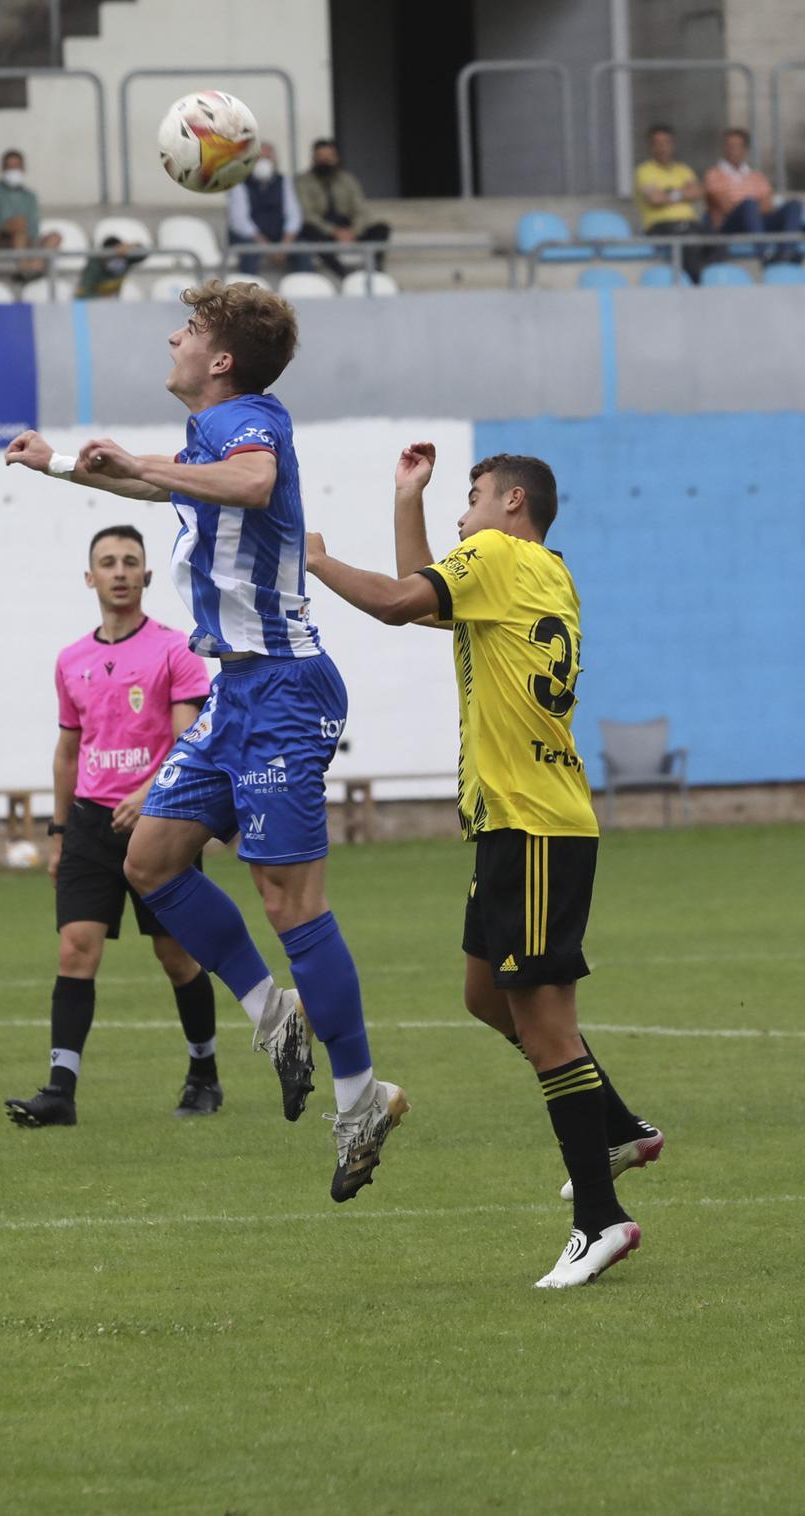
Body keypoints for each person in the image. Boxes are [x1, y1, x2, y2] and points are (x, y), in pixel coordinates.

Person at [3, 280, 408, 1200]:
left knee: (289, 902)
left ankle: (360, 1102)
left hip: (287, 691)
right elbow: (146, 478)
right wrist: (60, 460)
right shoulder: (207, 437)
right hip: (236, 690)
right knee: (148, 858)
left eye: (188, 329)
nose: (175, 338)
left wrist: (144, 463)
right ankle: (274, 1019)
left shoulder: (251, 423)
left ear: (220, 359)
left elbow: (253, 482)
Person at [304, 443, 663, 1288]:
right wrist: (407, 498)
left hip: (534, 828)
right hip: (518, 825)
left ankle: (599, 1221)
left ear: (511, 503)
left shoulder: (498, 556)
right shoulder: (543, 572)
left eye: (468, 498)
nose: (459, 514)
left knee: (545, 1026)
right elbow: (424, 596)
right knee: (483, 995)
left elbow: (397, 601)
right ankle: (618, 1130)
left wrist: (315, 559)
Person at [4, 525, 222, 1127]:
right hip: (89, 827)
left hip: (161, 822)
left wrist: (149, 792)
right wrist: (57, 833)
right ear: (90, 577)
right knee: (76, 948)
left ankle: (203, 1073)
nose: (120, 571)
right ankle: (60, 1093)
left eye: (131, 561)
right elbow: (68, 752)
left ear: (147, 575)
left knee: (176, 955)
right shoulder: (71, 660)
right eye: (108, 562)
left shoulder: (176, 649)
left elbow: (188, 740)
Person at [703, 127, 802, 264]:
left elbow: (768, 206)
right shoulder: (713, 174)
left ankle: (786, 253)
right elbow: (727, 208)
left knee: (794, 205)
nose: (732, 149)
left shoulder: (757, 176)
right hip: (730, 226)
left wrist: (752, 212)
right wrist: (751, 207)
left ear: (745, 150)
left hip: (757, 223)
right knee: (749, 204)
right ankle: (764, 254)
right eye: (729, 145)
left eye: (736, 146)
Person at [295, 137, 390, 281]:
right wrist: (334, 231)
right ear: (313, 159)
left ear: (336, 158)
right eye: (321, 157)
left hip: (348, 227)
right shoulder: (303, 181)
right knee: (308, 230)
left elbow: (360, 210)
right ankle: (343, 272)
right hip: (324, 229)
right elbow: (307, 214)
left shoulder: (347, 179)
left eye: (329, 157)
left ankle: (375, 271)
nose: (325, 161)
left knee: (382, 229)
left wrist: (352, 231)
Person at [226, 142, 310, 276]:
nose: (263, 163)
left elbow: (294, 215)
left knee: (303, 249)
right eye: (258, 158)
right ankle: (248, 293)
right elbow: (240, 221)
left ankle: (304, 288)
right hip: (251, 238)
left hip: (280, 237)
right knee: (248, 250)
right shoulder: (239, 183)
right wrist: (267, 247)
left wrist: (285, 244)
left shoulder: (284, 181)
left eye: (267, 158)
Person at [634, 124, 703, 282]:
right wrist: (682, 193)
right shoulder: (644, 171)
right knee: (687, 243)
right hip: (660, 226)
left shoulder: (683, 169)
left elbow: (697, 192)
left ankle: (713, 279)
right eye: (657, 144)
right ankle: (696, 287)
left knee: (717, 240)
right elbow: (655, 199)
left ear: (673, 145)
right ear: (651, 147)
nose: (662, 148)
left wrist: (668, 193)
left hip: (690, 224)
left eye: (666, 143)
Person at [0, 149, 61, 278]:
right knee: (11, 228)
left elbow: (33, 228)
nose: (13, 170)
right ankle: (12, 269)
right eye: (9, 167)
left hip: (24, 240)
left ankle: (29, 272)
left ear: (23, 169)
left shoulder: (30, 196)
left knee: (54, 237)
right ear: (2, 170)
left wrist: (22, 231)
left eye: (16, 166)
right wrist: (8, 226)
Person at [75, 235, 148, 300]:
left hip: (111, 307)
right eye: (113, 256)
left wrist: (130, 246)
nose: (117, 261)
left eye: (120, 256)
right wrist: (104, 299)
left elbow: (143, 254)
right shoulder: (94, 265)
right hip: (90, 306)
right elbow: (82, 296)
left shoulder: (125, 263)